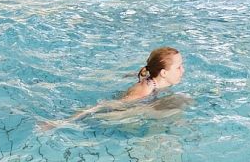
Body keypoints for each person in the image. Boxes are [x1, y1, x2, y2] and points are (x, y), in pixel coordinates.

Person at [39, 46, 188, 130]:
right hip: (111, 115)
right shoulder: (143, 91)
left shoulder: (156, 80)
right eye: (178, 67)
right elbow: (102, 106)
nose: (183, 70)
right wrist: (62, 123)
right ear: (163, 73)